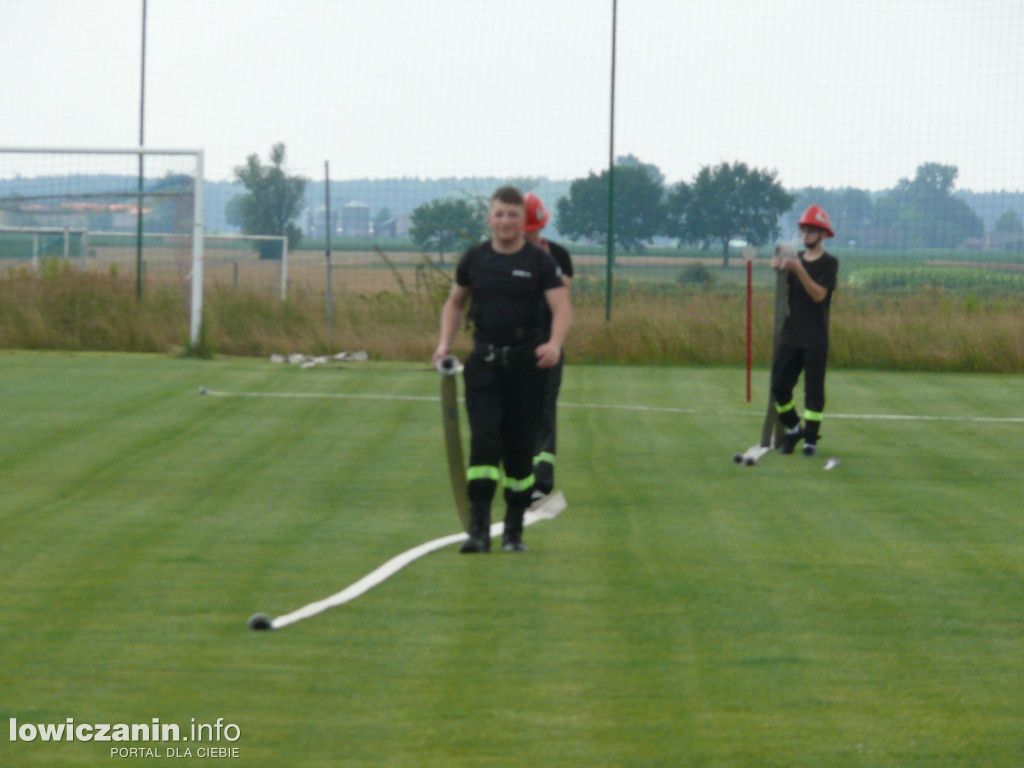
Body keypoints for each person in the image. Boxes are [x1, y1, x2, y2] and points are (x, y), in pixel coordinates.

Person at [433, 186, 571, 553]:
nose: (506, 221)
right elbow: (454, 303)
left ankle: (513, 532)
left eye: (513, 215)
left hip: (527, 369)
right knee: (484, 443)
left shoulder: (539, 262)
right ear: (490, 218)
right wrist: (444, 343)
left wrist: (554, 344)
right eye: (499, 214)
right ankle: (478, 529)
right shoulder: (475, 259)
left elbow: (562, 308)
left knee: (520, 453)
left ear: (522, 220)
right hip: (485, 367)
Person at [770, 204, 839, 457]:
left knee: (814, 391)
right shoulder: (795, 259)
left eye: (811, 231)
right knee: (779, 386)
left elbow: (819, 295)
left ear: (822, 235)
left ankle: (810, 441)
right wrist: (777, 265)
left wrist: (798, 269)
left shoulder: (829, 263)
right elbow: (783, 285)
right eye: (804, 230)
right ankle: (793, 429)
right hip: (792, 333)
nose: (806, 235)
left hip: (815, 336)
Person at [522, 192, 574, 499]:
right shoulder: (503, 255)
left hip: (547, 342)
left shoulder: (559, 255)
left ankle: (542, 481)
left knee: (544, 411)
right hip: (514, 343)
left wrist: (544, 262)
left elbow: (561, 296)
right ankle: (521, 474)